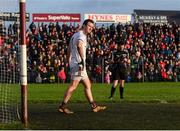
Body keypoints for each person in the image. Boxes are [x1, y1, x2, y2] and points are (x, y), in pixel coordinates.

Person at [58, 19, 106, 114]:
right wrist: (82, 61)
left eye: (92, 27)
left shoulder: (75, 35)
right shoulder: (81, 36)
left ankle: (94, 106)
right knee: (73, 86)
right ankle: (62, 106)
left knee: (88, 85)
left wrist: (68, 61)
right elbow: (79, 45)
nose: (91, 28)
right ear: (84, 25)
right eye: (89, 26)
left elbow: (69, 49)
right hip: (79, 65)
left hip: (76, 64)